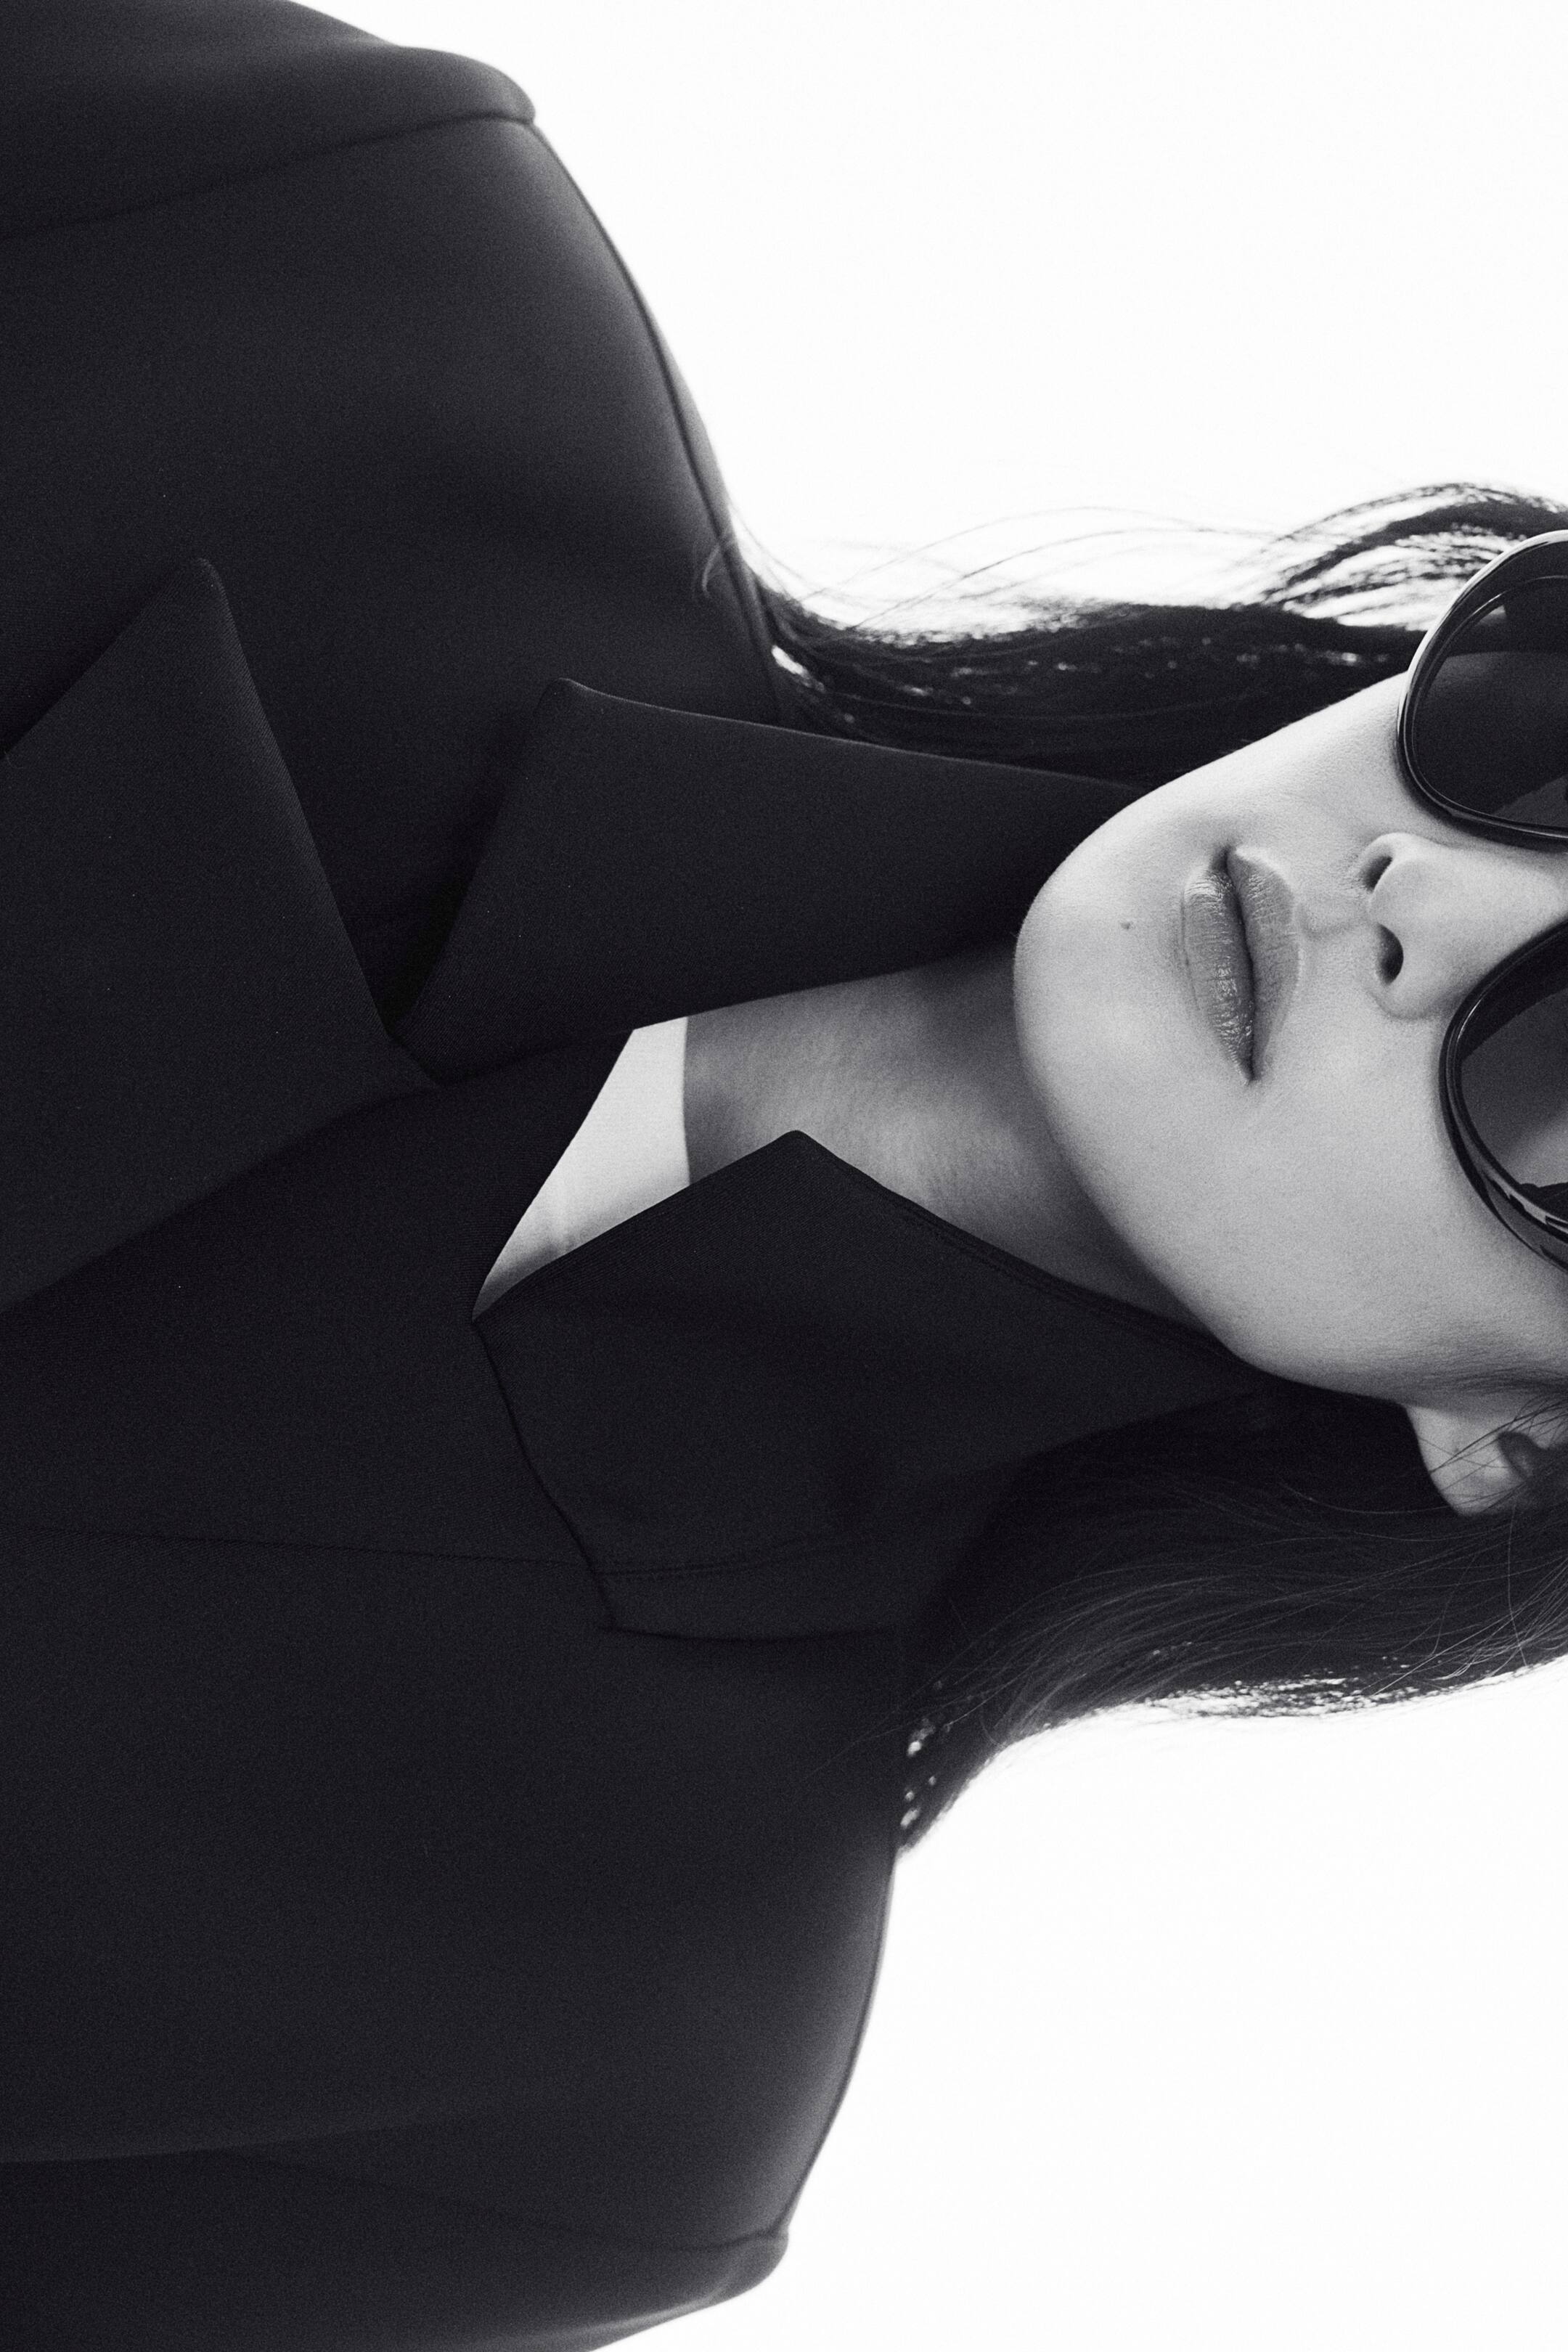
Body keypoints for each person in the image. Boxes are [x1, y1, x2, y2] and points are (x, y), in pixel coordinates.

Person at [4, 4, 1567, 2347]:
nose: (1419, 896)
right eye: (1551, 760)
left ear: (1515, 1443)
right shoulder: (334, 261)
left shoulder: (569, 2086)